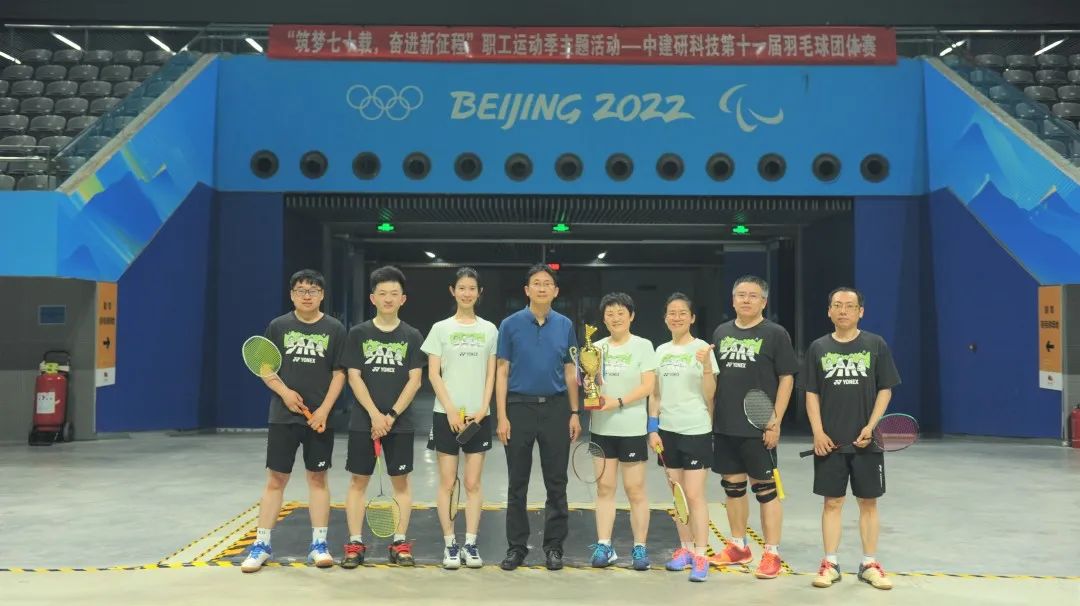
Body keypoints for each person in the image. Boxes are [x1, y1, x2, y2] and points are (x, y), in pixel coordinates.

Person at [241, 270, 347, 573]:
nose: (307, 295)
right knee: (276, 479)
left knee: (318, 479)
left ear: (322, 295)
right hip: (283, 417)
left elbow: (339, 373)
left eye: (313, 290)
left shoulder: (335, 328)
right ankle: (261, 544)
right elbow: (265, 367)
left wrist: (325, 410)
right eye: (301, 290)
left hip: (319, 419)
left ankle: (319, 545)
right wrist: (285, 393)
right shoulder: (279, 326)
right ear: (292, 295)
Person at [805, 287, 900, 591]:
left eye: (849, 305)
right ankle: (830, 563)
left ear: (861, 311)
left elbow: (885, 388)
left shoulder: (875, 344)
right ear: (829, 311)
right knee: (832, 502)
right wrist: (818, 432)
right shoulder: (818, 347)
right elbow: (811, 393)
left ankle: (869, 564)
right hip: (829, 443)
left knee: (868, 502)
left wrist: (872, 426)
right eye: (837, 305)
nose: (843, 310)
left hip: (867, 441)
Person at [709, 276, 797, 579]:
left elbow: (787, 377)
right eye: (741, 295)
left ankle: (771, 552)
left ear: (764, 302)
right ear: (733, 300)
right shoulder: (721, 332)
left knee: (766, 490)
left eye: (753, 296)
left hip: (759, 427)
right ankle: (738, 547)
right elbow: (715, 379)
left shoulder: (775, 334)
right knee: (733, 487)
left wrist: (775, 420)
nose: (746, 300)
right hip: (725, 425)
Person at [495, 264, 581, 571]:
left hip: (556, 409)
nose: (542, 288)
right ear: (527, 290)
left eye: (547, 284)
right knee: (516, 482)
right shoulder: (510, 325)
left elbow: (571, 370)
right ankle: (516, 547)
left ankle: (554, 547)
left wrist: (574, 412)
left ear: (555, 291)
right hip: (518, 408)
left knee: (557, 482)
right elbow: (502, 371)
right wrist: (502, 416)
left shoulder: (565, 325)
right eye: (536, 283)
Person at [340, 266, 425, 568]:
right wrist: (375, 415)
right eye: (382, 293)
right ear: (373, 298)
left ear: (403, 299)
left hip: (399, 422)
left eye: (394, 293)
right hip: (364, 421)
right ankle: (355, 543)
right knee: (358, 481)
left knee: (401, 482)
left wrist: (390, 415)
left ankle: (399, 542)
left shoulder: (412, 335)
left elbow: (415, 380)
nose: (388, 298)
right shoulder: (358, 333)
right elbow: (353, 376)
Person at [422, 267, 498, 569]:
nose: (467, 293)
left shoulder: (490, 330)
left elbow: (491, 374)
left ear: (480, 293)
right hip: (446, 415)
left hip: (479, 417)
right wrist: (451, 410)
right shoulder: (440, 329)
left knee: (473, 482)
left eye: (472, 288)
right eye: (462, 288)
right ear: (453, 291)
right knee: (447, 482)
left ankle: (470, 543)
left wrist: (483, 408)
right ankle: (450, 544)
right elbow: (433, 373)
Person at [648, 292, 719, 583]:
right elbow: (655, 394)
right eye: (671, 313)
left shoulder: (702, 348)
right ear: (665, 318)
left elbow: (710, 394)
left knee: (694, 494)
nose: (676, 317)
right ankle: (685, 549)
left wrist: (705, 365)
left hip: (696, 429)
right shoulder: (660, 350)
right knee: (678, 495)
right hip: (668, 431)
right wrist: (652, 427)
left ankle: (701, 554)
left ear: (692, 318)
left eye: (682, 313)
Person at [587, 292, 656, 570]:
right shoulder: (595, 347)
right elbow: (592, 382)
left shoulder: (643, 346)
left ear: (631, 316)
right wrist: (589, 386)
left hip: (632, 428)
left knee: (634, 489)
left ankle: (640, 548)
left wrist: (617, 402)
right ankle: (605, 545)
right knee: (604, 488)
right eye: (610, 314)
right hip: (601, 428)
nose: (615, 318)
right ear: (603, 319)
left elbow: (648, 386)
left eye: (620, 313)